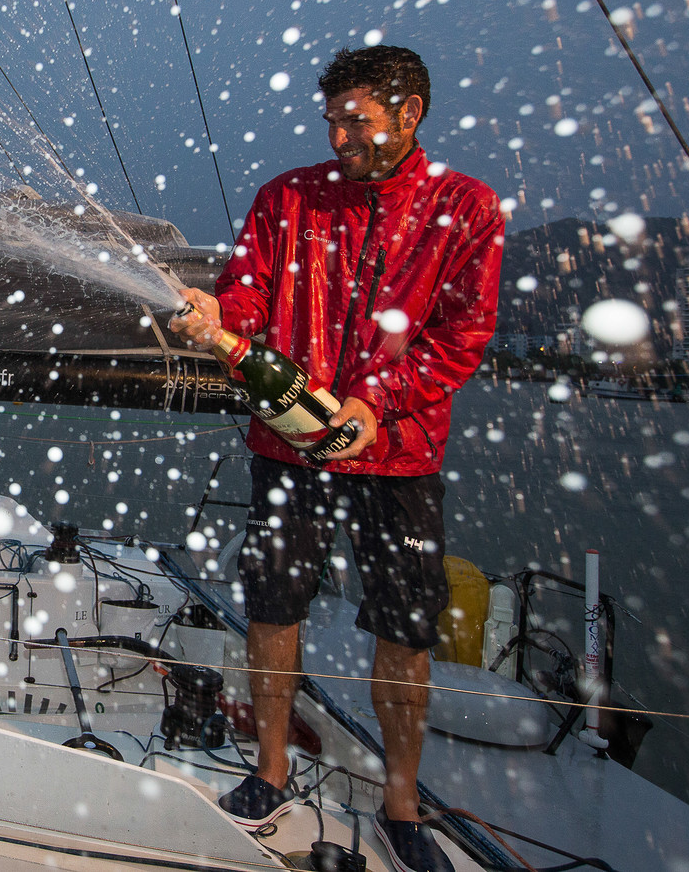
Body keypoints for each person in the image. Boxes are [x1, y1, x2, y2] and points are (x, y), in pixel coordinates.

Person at [166, 46, 503, 872]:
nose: (339, 132)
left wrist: (375, 404)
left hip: (400, 459)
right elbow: (244, 299)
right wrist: (216, 315)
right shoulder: (287, 198)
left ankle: (400, 800)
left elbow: (464, 334)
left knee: (405, 625)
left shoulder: (466, 207)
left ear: (409, 114)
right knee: (274, 602)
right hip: (288, 445)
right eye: (331, 118)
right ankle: (271, 771)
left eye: (356, 118)